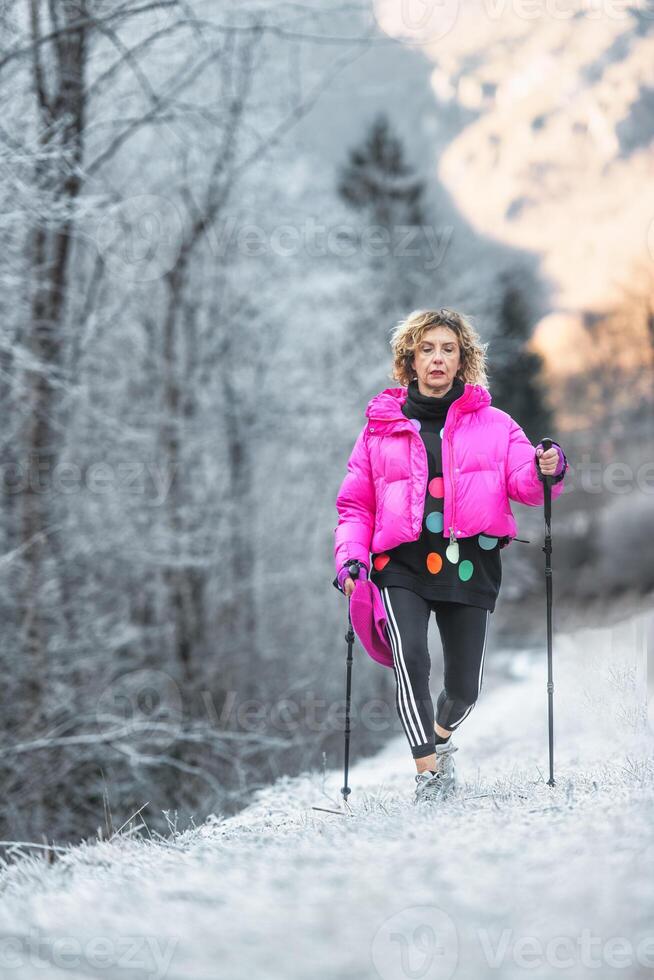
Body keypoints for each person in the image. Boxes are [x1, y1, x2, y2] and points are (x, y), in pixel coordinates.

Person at [332, 308, 568, 804]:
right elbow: (356, 504)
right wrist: (350, 559)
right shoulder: (379, 428)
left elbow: (526, 482)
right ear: (409, 361)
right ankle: (428, 777)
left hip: (471, 561)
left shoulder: (497, 424)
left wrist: (549, 466)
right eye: (426, 349)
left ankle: (440, 742)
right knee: (410, 658)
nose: (437, 359)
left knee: (464, 689)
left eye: (447, 349)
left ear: (463, 361)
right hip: (400, 565)